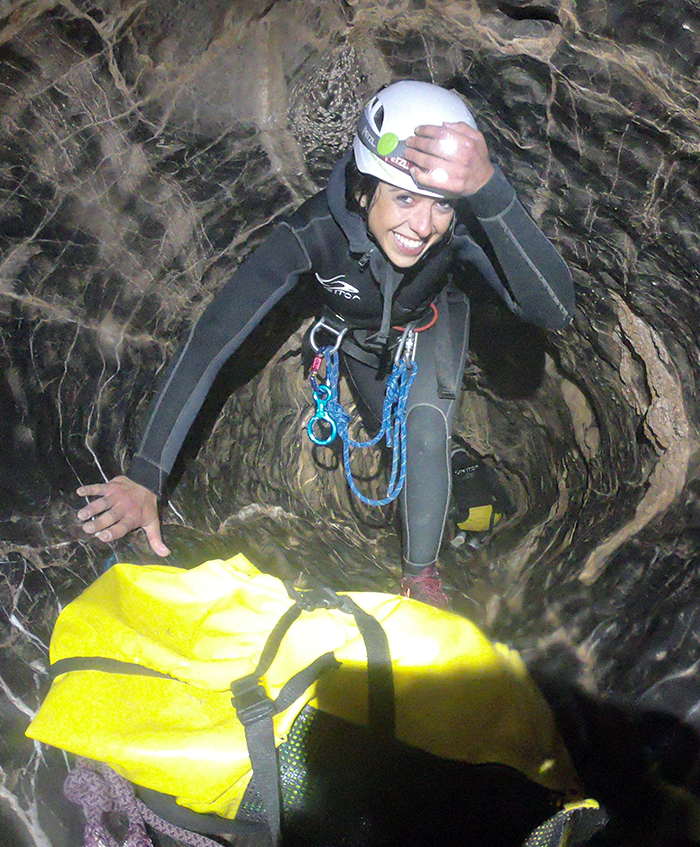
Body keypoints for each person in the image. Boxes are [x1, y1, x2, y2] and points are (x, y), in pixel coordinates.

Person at [77, 80, 575, 606]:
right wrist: (146, 476)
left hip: (429, 324)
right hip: (355, 338)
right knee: (392, 430)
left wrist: (490, 191)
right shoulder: (313, 231)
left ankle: (421, 578)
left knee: (422, 430)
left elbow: (554, 311)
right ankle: (455, 467)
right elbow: (212, 340)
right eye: (404, 197)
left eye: (443, 206)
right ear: (366, 187)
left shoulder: (458, 229)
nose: (424, 225)